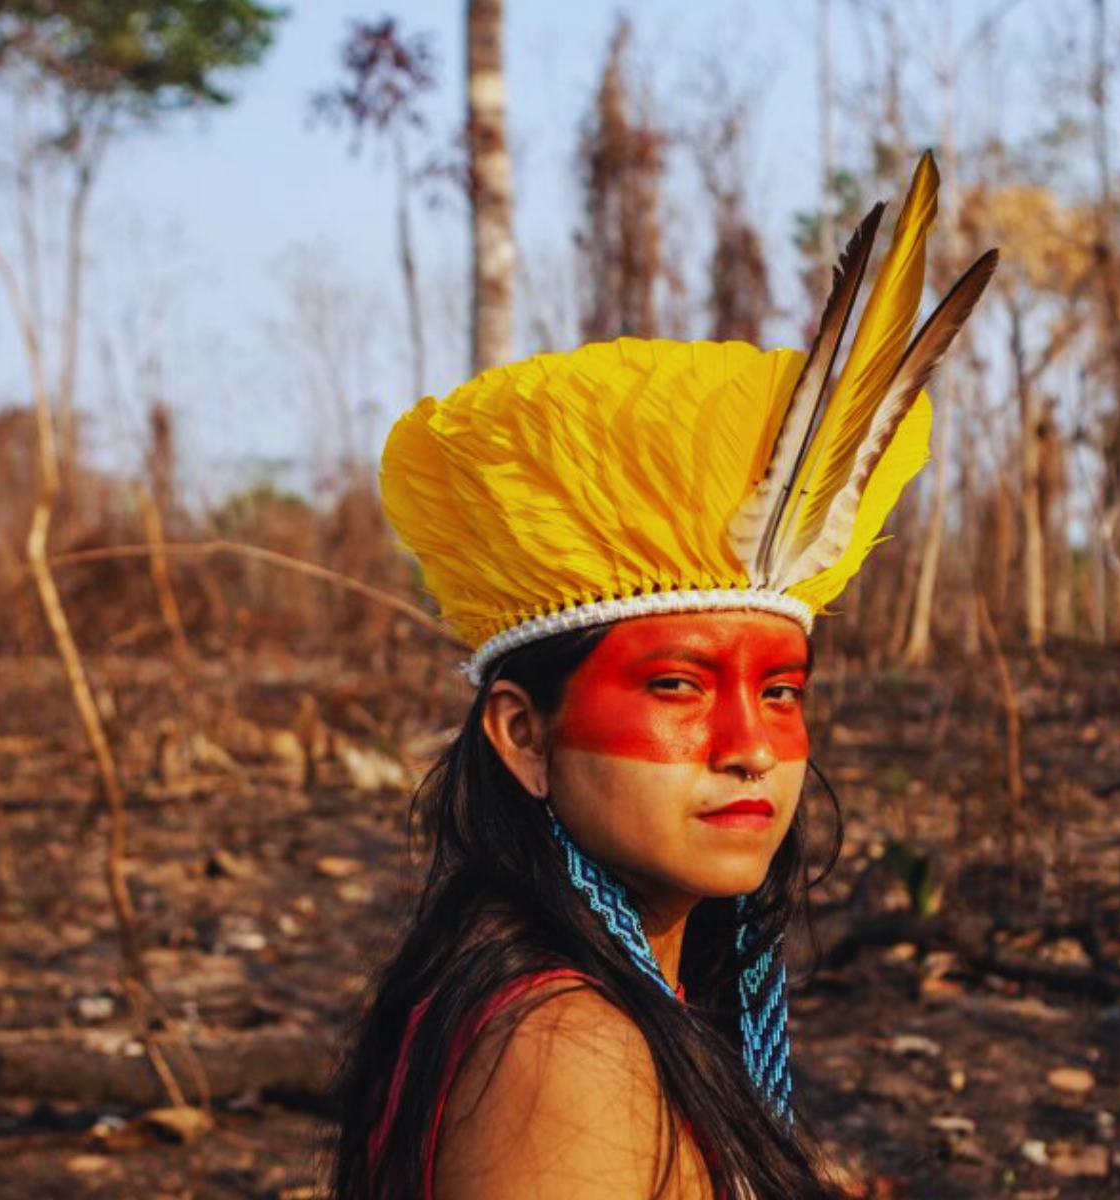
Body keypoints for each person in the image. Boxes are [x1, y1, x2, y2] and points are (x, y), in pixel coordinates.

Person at [326, 154, 996, 1199]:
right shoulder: (567, 1049)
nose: (750, 748)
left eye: (780, 691)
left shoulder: (606, 982)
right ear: (523, 734)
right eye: (677, 687)